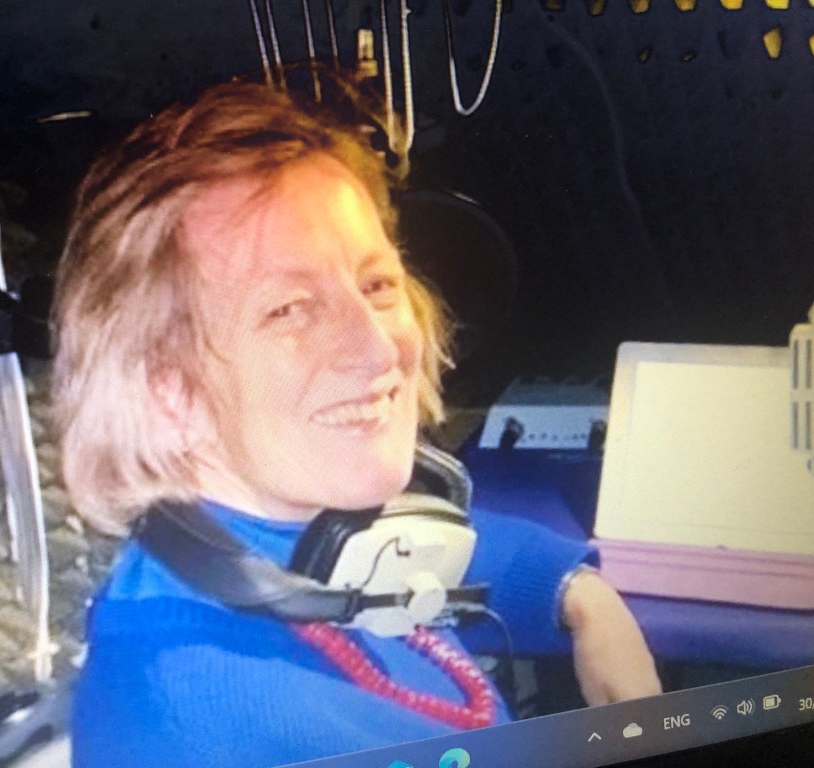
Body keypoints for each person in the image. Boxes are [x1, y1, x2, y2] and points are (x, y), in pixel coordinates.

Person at [52, 75, 660, 768]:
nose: (378, 347)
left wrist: (582, 597)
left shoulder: (302, 530)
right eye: (288, 309)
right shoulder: (187, 728)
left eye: (376, 284)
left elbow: (449, 546)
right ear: (171, 394)